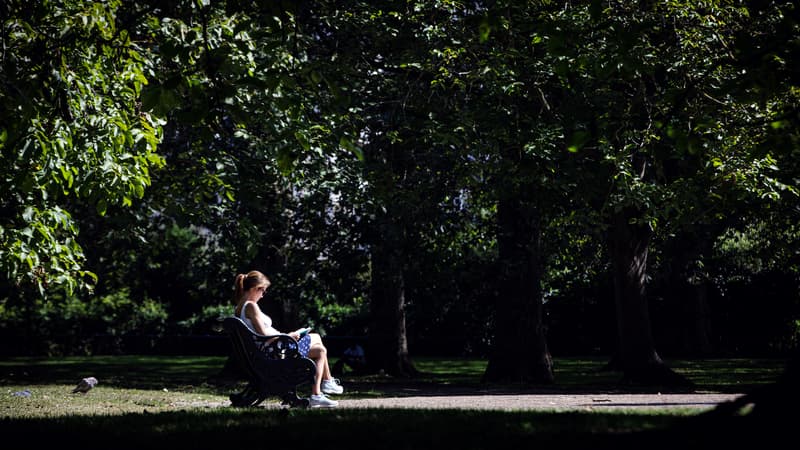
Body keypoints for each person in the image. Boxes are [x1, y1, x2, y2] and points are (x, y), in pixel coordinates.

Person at [233, 270, 344, 408]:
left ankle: (325, 386)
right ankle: (322, 389)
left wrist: (288, 336)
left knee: (319, 346)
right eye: (263, 291)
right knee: (318, 343)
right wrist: (289, 336)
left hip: (270, 350)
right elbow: (264, 335)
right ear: (256, 288)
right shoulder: (251, 306)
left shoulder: (239, 308)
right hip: (276, 352)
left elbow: (261, 334)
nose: (262, 296)